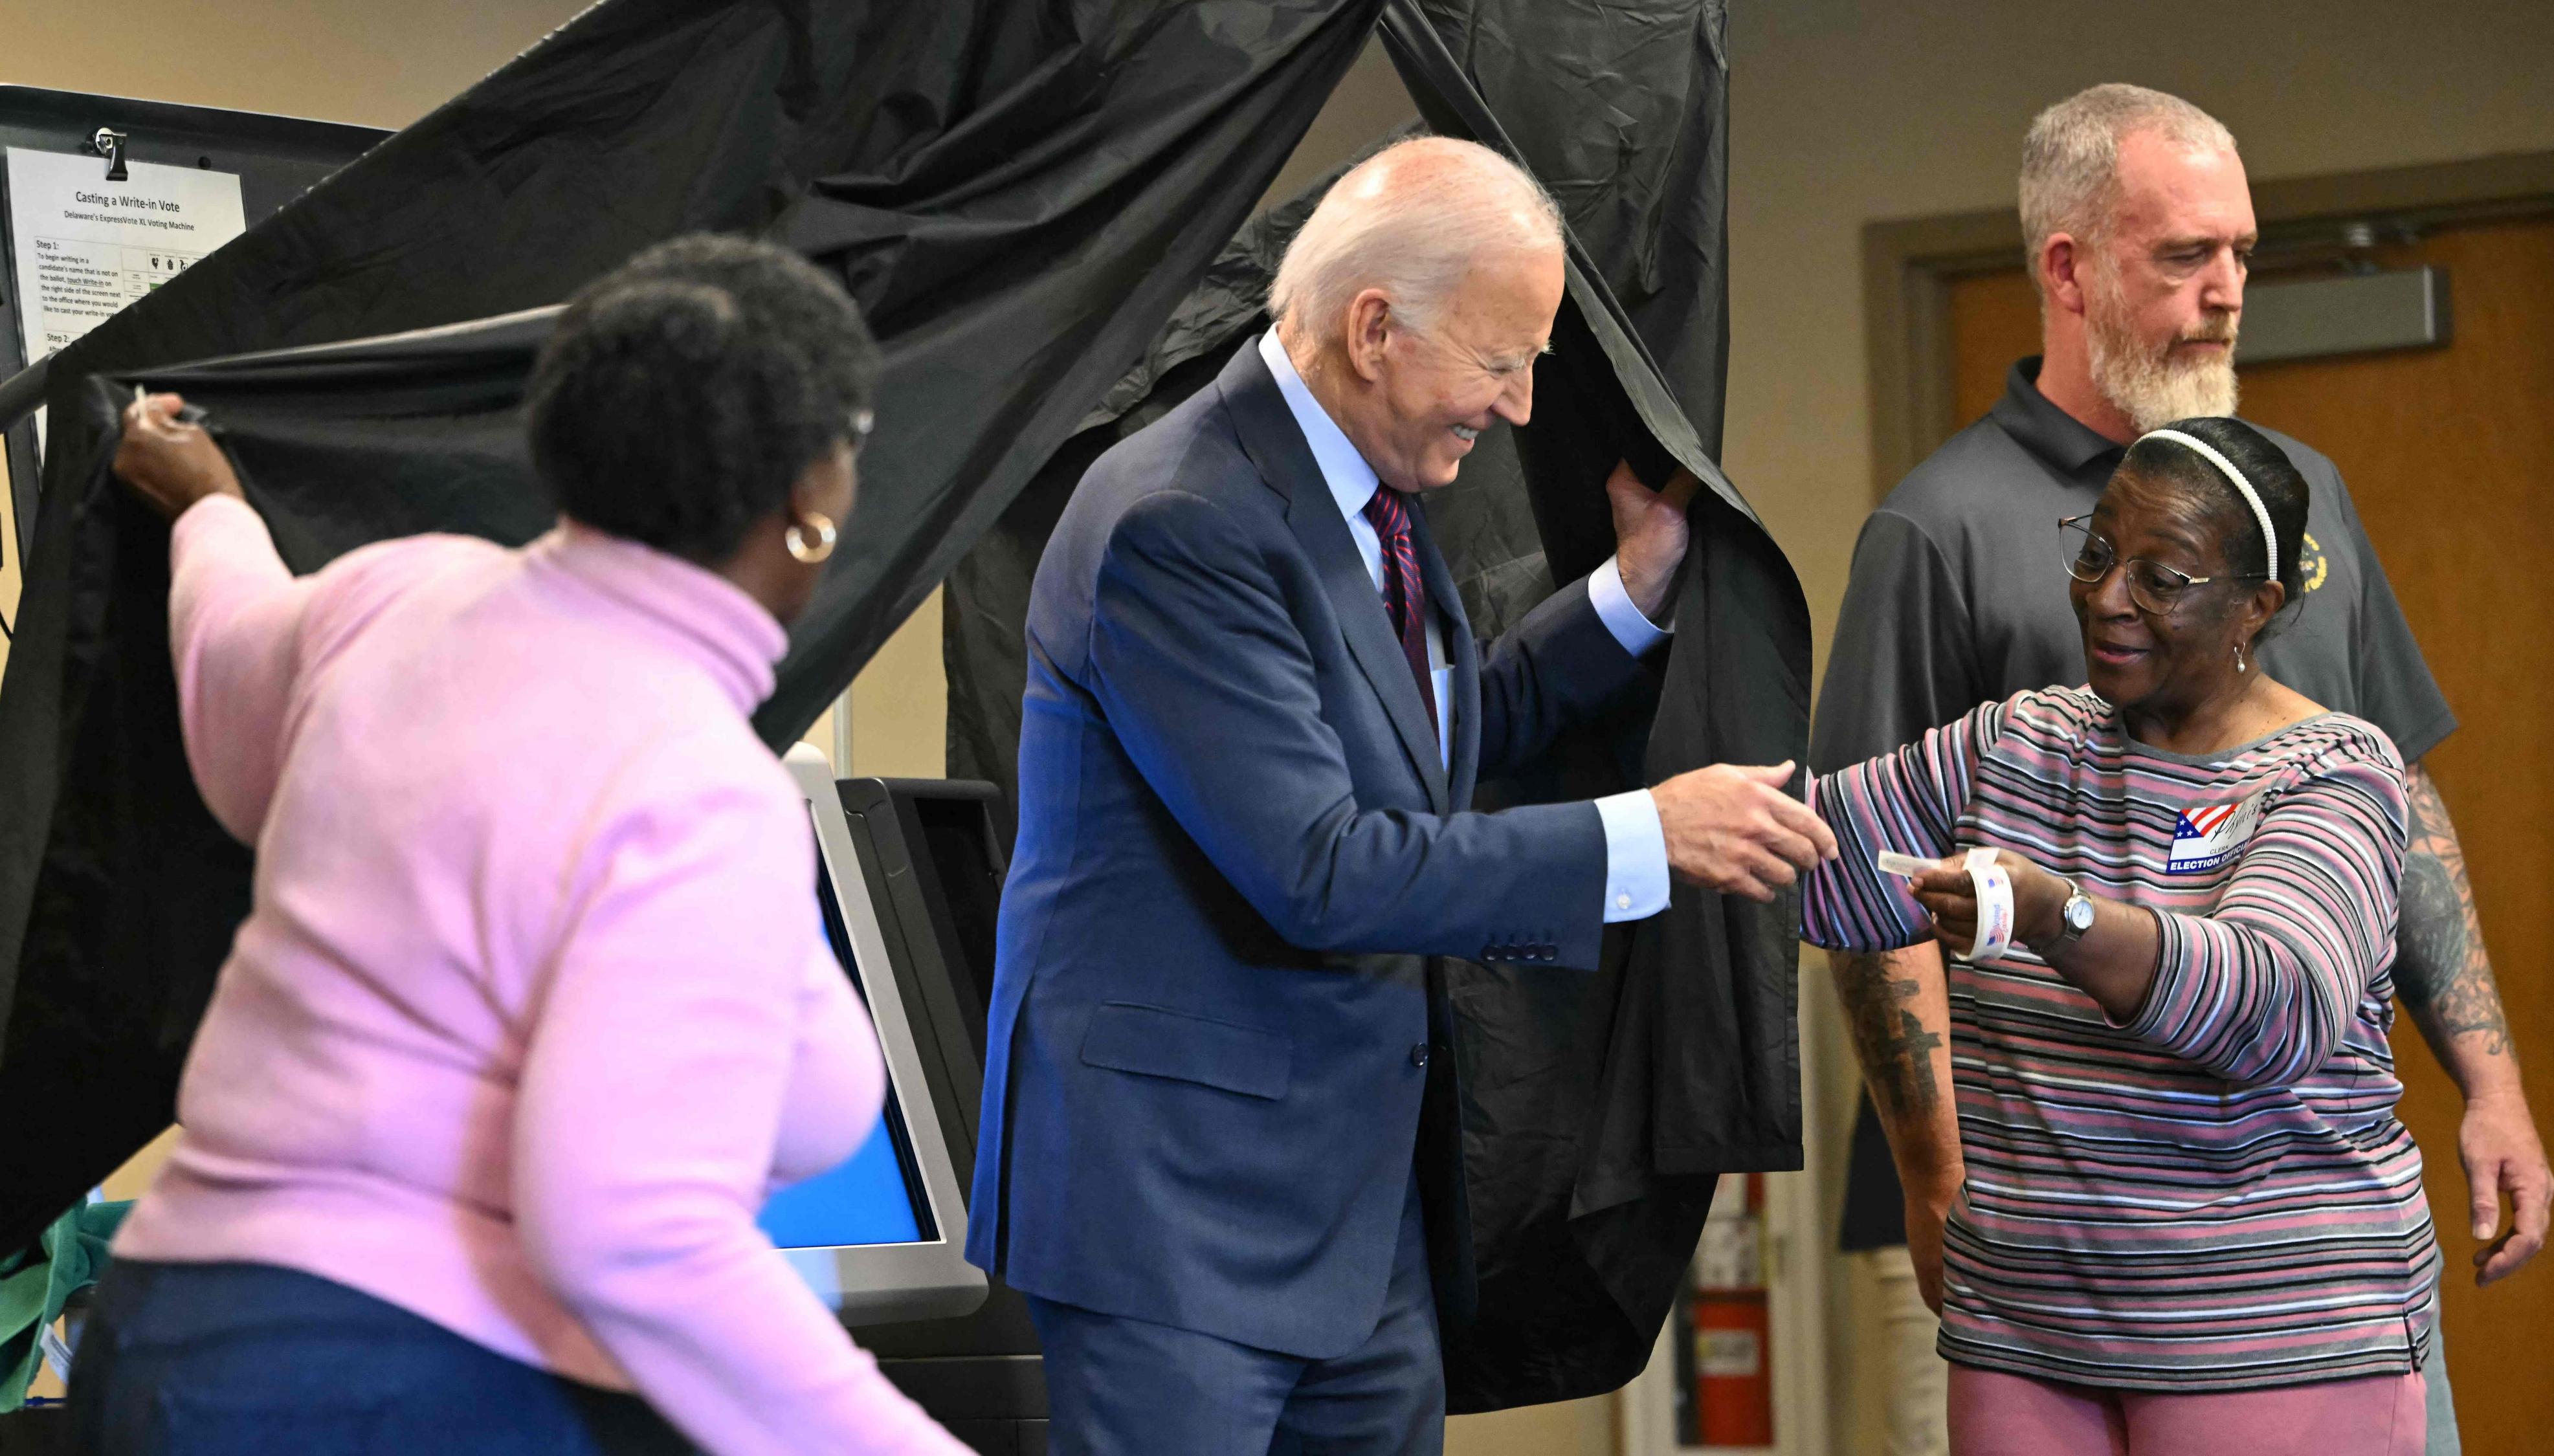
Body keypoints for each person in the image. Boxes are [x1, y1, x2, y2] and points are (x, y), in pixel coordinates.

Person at [968, 135, 1837, 1455]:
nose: (1522, 406)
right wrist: (1642, 837)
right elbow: (1321, 863)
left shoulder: (1360, 488)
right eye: (1500, 362)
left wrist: (1632, 593)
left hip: (1356, 1222)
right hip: (1176, 1219)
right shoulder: (1175, 519)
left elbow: (1431, 728)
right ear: (1372, 328)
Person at [67, 236, 967, 1455]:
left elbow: (228, 675)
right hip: (414, 1385)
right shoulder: (696, 784)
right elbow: (627, 1229)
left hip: (163, 1328)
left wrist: (212, 509)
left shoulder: (394, 598)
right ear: (812, 503)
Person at [1814, 83, 2553, 1455]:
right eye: (2180, 257)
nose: (2224, 294)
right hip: (2041, 1242)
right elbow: (1869, 877)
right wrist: (1933, 1174)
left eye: (2239, 257)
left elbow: (2399, 804)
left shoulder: (2300, 497)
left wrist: (2489, 1083)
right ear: (2066, 268)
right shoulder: (1938, 530)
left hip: (2291, 1244)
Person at [1807, 417, 2439, 1454]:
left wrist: (2056, 915)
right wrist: (1625, 835)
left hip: (2268, 1332)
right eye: (2098, 552)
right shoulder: (2020, 741)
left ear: (2257, 607)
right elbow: (1815, 868)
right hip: (2026, 1333)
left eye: (2162, 577)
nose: (2105, 596)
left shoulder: (2332, 771)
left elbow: (2266, 1009)